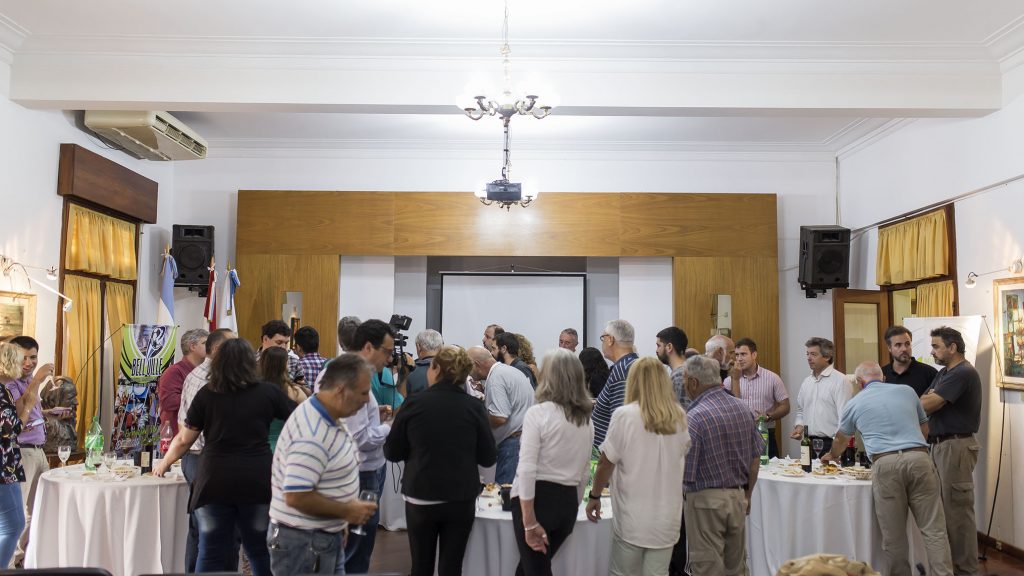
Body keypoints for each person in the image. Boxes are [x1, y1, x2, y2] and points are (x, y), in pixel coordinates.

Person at [153, 338, 296, 576]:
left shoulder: (207, 395)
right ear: (251, 364)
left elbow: (184, 439)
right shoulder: (268, 393)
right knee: (260, 551)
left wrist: (164, 463)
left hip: (214, 481)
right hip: (256, 481)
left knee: (210, 552)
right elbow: (300, 419)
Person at [821, 362, 953, 576]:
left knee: (894, 537)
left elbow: (841, 439)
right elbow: (924, 428)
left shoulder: (854, 403)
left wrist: (832, 456)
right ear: (883, 378)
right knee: (934, 530)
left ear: (860, 383)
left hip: (885, 464)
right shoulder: (908, 392)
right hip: (919, 457)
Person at [384, 346, 497, 576]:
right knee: (451, 566)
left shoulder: (413, 404)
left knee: (421, 566)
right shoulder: (475, 408)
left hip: (421, 494)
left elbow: (392, 452)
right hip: (460, 496)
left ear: (434, 369)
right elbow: (488, 457)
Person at [267, 354, 378, 575]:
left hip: (318, 538)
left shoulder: (328, 415)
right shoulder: (312, 433)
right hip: (304, 543)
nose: (367, 401)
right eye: (363, 393)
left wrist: (339, 520)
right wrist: (346, 510)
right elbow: (296, 495)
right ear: (340, 390)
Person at [586, 356, 690, 576]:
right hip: (667, 517)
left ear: (633, 381)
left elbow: (606, 462)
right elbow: (683, 454)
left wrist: (594, 496)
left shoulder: (625, 415)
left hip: (633, 517)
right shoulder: (679, 416)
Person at [511, 349, 594, 576]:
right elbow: (584, 472)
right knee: (529, 569)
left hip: (536, 502)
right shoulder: (585, 421)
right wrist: (572, 507)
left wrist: (528, 520)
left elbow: (526, 469)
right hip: (566, 504)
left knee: (536, 570)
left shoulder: (538, 414)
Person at [681, 354, 763, 576]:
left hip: (704, 501)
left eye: (685, 379)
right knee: (736, 568)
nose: (683, 384)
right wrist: (747, 494)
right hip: (737, 497)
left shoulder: (695, 417)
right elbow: (756, 457)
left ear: (694, 383)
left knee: (706, 567)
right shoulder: (742, 409)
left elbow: (686, 473)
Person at [330, 319, 396, 573]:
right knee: (356, 550)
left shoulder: (349, 371)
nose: (389, 360)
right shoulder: (351, 376)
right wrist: (389, 428)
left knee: (357, 547)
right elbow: (359, 438)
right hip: (361, 471)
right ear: (369, 347)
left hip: (362, 470)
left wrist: (373, 413)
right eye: (387, 352)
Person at [921, 326, 981, 576]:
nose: (932, 351)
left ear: (953, 348)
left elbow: (928, 403)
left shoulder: (962, 373)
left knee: (957, 515)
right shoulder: (944, 373)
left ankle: (965, 571)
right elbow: (924, 400)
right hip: (939, 446)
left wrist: (932, 399)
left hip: (955, 446)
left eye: (936, 346)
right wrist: (929, 399)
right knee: (943, 513)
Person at [177, 327, 236, 572]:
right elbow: (193, 429)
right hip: (205, 458)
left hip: (199, 458)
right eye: (234, 345)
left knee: (200, 528)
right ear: (218, 349)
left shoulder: (201, 374)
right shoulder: (210, 379)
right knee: (213, 530)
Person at [4, 336, 53, 568]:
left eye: (32, 357)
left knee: (41, 509)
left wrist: (49, 413)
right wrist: (38, 381)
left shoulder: (27, 380)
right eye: (23, 357)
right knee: (17, 516)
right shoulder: (10, 384)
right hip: (19, 453)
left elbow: (29, 412)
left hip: (39, 449)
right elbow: (14, 421)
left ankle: (28, 559)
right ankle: (10, 564)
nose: (28, 363)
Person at [468, 346, 535, 484]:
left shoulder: (496, 378)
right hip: (521, 440)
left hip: (511, 445)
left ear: (477, 364)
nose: (468, 373)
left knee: (504, 498)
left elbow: (499, 417)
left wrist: (478, 416)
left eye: (468, 367)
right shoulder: (508, 371)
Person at [723, 338, 789, 458]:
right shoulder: (729, 380)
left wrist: (769, 416)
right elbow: (731, 408)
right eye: (736, 355)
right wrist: (735, 380)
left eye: (743, 354)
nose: (739, 359)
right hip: (738, 436)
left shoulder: (772, 378)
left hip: (765, 434)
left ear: (754, 355)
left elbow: (785, 406)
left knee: (770, 471)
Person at [791, 337, 851, 456]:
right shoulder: (806, 382)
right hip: (808, 442)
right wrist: (799, 427)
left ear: (827, 357)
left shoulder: (840, 381)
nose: (808, 358)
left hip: (831, 443)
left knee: (830, 475)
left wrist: (836, 449)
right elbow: (801, 411)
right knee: (807, 474)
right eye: (807, 354)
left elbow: (844, 418)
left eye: (813, 354)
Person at [592, 319, 640, 447]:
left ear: (610, 340)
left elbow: (620, 421)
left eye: (603, 338)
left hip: (608, 457)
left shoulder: (622, 370)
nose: (602, 343)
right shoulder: (632, 363)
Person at [257, 346, 310, 452]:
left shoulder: (254, 390)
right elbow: (307, 419)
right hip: (286, 447)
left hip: (258, 447)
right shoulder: (294, 391)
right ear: (285, 365)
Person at [157, 329, 208, 437]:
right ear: (192, 346)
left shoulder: (207, 372)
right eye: (204, 343)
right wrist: (202, 397)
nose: (209, 347)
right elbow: (168, 402)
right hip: (177, 438)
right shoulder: (174, 372)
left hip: (198, 437)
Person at [882, 325, 937, 397]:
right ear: (889, 348)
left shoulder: (929, 373)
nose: (904, 349)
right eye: (898, 345)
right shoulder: (882, 374)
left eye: (907, 344)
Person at [256, 320, 305, 385]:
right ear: (265, 339)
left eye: (286, 343)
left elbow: (304, 390)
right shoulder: (249, 361)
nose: (283, 347)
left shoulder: (294, 362)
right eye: (279, 342)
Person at [40, 375, 77, 453]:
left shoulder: (70, 423)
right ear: (54, 401)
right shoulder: (44, 427)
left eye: (75, 397)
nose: (76, 402)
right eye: (70, 398)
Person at [656, 326, 690, 409]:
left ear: (669, 347)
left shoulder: (679, 376)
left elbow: (683, 413)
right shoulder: (687, 370)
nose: (656, 350)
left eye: (658, 346)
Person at [406, 329, 443, 397]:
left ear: (418, 347)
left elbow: (401, 403)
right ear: (441, 347)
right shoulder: (453, 370)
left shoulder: (411, 372)